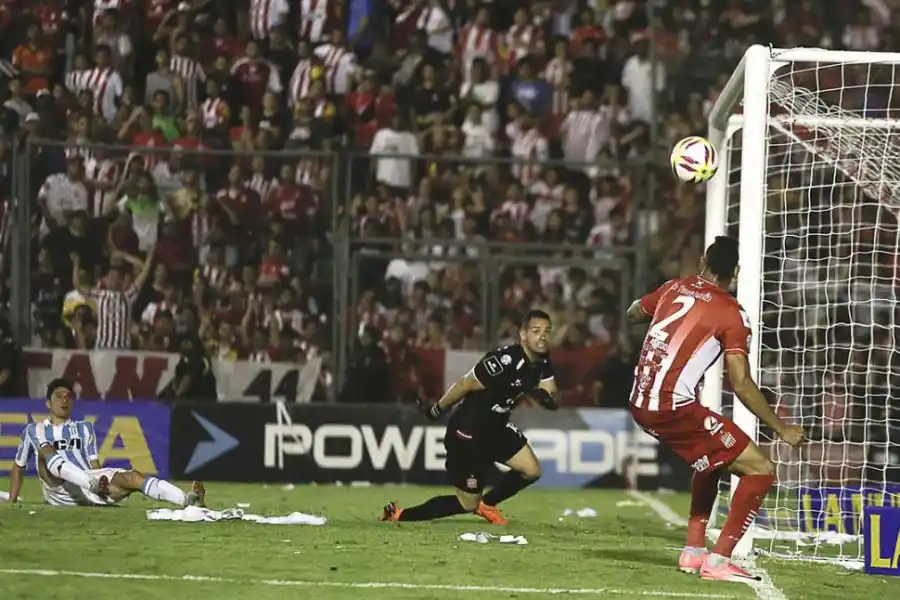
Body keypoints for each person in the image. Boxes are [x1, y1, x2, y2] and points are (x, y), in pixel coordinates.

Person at [626, 236, 805, 583]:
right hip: (669, 407)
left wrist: (646, 306)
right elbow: (740, 383)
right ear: (736, 271)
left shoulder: (672, 287)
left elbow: (633, 313)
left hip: (640, 402)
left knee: (711, 458)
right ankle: (719, 560)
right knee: (760, 469)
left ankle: (694, 550)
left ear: (703, 260)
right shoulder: (731, 314)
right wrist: (780, 428)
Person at [379, 309, 558, 525]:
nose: (542, 336)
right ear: (523, 334)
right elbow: (466, 383)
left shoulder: (543, 360)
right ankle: (398, 514)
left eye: (547, 331)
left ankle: (488, 504)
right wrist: (437, 409)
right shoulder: (503, 361)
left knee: (531, 471)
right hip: (469, 430)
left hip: (497, 427)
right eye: (536, 331)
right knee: (467, 504)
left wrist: (546, 397)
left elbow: (549, 390)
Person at [5, 378, 206, 507]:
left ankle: (187, 500)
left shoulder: (84, 427)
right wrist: (13, 500)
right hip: (58, 490)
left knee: (133, 477)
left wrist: (103, 484)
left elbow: (94, 465)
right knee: (45, 450)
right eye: (58, 397)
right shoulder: (33, 430)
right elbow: (19, 466)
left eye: (68, 397)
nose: (64, 401)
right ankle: (90, 484)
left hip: (89, 484)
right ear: (48, 403)